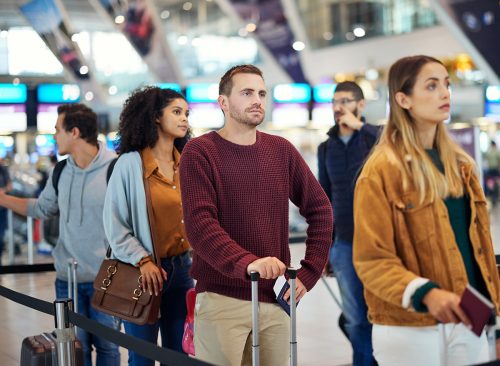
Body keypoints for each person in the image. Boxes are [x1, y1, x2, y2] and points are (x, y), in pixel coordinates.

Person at [179, 64, 333, 366]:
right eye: (247, 92)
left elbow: (320, 209)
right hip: (221, 301)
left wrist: (309, 272)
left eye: (262, 93)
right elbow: (200, 226)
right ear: (223, 102)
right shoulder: (199, 152)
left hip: (275, 302)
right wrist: (248, 263)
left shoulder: (281, 150)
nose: (257, 100)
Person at [352, 55, 500, 366]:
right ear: (403, 99)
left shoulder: (460, 166)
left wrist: (494, 315)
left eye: (446, 84)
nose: (445, 93)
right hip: (408, 325)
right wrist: (427, 293)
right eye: (431, 86)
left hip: (466, 317)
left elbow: (477, 248)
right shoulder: (381, 170)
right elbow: (371, 260)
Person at [0, 104, 120, 366]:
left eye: (57, 130)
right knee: (75, 349)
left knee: (108, 348)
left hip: (108, 280)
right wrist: (4, 199)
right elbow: (42, 208)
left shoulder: (116, 169)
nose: (54, 136)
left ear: (74, 132)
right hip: (68, 280)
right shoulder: (60, 171)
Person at [103, 86, 194, 366]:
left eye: (186, 114)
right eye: (176, 112)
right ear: (155, 117)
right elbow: (114, 224)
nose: (184, 119)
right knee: (142, 357)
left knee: (178, 355)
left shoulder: (187, 163)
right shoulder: (129, 165)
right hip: (143, 275)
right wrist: (142, 260)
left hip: (182, 271)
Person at [317, 81, 379, 366]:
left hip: (378, 243)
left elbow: (395, 144)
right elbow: (324, 199)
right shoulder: (326, 147)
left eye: (345, 101)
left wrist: (360, 126)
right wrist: (325, 248)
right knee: (355, 318)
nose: (339, 107)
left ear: (360, 105)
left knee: (374, 310)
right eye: (335, 101)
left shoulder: (371, 139)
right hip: (343, 243)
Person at [0, 157, 12, 265]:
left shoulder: (3, 170)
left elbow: (9, 186)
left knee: (0, 236)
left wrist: (2, 191)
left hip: (2, 208)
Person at [483, 140, 500, 205]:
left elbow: (486, 159)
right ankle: (496, 197)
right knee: (496, 183)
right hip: (495, 170)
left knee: (491, 183)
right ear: (495, 145)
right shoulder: (497, 152)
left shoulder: (489, 152)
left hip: (490, 170)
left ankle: (493, 197)